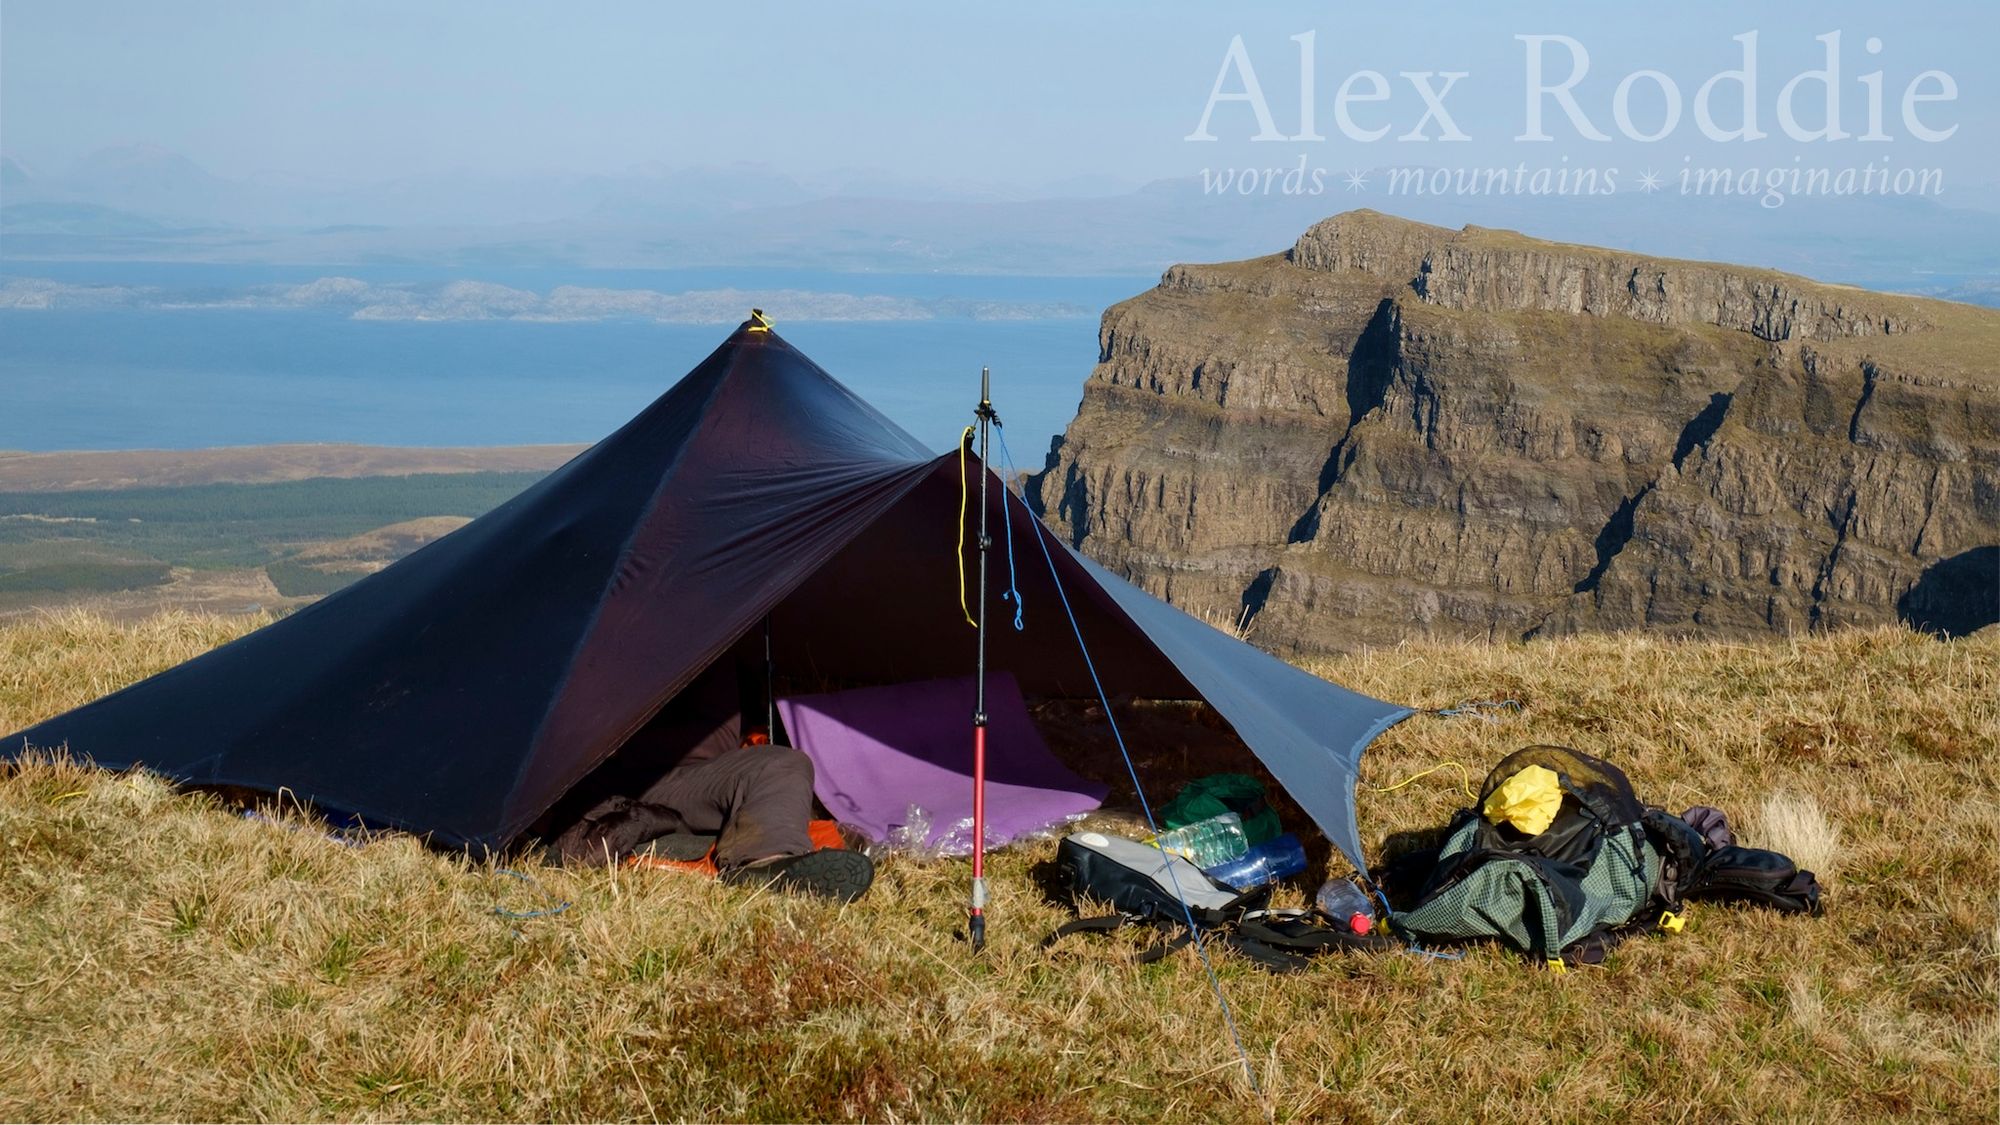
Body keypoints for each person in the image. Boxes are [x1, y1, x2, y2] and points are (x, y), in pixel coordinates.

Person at [551, 660, 874, 901]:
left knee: (785, 763)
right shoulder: (578, 643)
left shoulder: (701, 635)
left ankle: (770, 865)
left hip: (680, 779)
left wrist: (622, 745)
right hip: (590, 785)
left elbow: (717, 740)